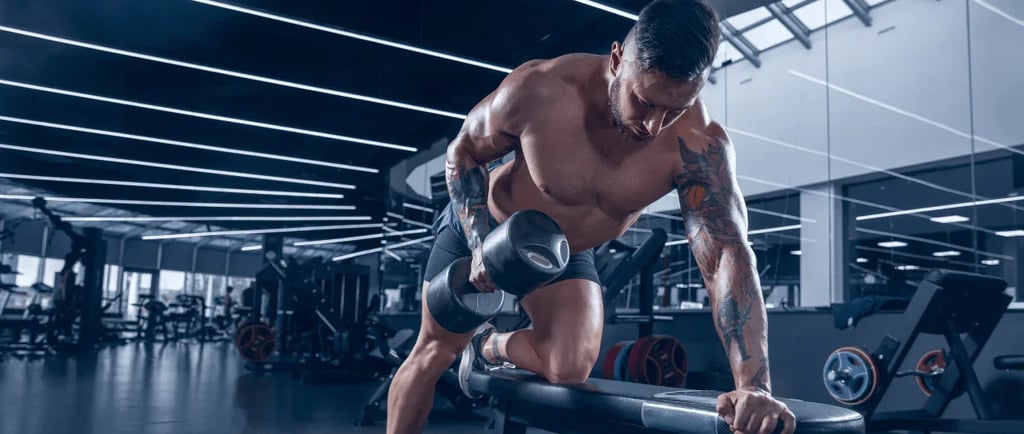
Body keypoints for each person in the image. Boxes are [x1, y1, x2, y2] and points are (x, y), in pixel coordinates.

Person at [387, 1, 796, 433]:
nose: (655, 125)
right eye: (644, 101)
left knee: (569, 366)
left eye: (673, 109)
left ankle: (489, 345)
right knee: (433, 353)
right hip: (489, 224)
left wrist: (755, 387)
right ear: (618, 59)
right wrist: (479, 245)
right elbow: (463, 154)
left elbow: (726, 255)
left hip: (562, 251)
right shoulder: (540, 89)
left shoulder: (698, 144)